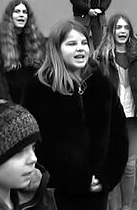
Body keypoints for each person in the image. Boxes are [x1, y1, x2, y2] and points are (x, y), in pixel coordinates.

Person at [22, 20, 128, 210]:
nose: (80, 48)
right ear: (57, 48)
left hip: (96, 193)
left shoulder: (101, 85)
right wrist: (70, 180)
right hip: (57, 195)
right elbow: (31, 144)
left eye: (84, 43)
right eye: (71, 44)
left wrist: (106, 178)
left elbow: (119, 137)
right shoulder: (38, 88)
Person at [94, 13, 137, 210]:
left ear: (130, 31)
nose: (122, 31)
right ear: (111, 31)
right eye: (118, 28)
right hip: (110, 120)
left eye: (126, 28)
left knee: (129, 166)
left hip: (133, 120)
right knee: (112, 165)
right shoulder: (100, 57)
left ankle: (127, 206)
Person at [0, 0, 45, 104]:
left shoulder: (36, 40)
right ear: (10, 16)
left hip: (31, 103)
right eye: (17, 12)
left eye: (24, 12)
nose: (21, 15)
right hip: (5, 103)